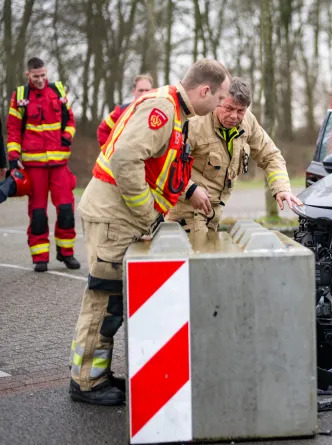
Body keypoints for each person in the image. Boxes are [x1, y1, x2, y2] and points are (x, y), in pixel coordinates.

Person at [70, 59, 230, 406]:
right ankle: (86, 383)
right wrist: (146, 213)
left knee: (112, 302)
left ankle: (96, 374)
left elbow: (162, 167)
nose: (218, 107)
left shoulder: (174, 111)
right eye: (218, 99)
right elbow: (126, 160)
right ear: (204, 91)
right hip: (115, 218)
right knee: (104, 302)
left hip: (119, 218)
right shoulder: (162, 109)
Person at [167, 77, 302, 234]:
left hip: (213, 214)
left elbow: (270, 155)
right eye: (229, 108)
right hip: (185, 210)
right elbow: (167, 163)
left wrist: (281, 188)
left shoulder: (248, 122)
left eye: (240, 111)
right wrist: (190, 189)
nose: (234, 116)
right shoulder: (194, 123)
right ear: (218, 100)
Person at [5, 57, 79, 272]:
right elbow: (13, 129)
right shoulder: (20, 97)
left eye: (43, 75)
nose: (40, 79)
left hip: (59, 164)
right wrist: (13, 156)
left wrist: (67, 135)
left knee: (66, 210)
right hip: (33, 165)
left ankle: (66, 253)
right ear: (28, 75)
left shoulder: (58, 91)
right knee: (37, 213)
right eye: (36, 76)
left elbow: (71, 120)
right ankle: (40, 257)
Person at [96, 74, 154, 146]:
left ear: (153, 91)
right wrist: (110, 152)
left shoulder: (158, 113)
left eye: (147, 90)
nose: (144, 93)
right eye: (141, 90)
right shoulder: (121, 111)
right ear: (133, 91)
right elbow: (103, 130)